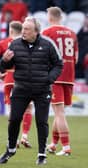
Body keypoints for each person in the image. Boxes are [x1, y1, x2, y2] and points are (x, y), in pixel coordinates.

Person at [0, 16, 63, 165]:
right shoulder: (14, 44)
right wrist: (5, 60)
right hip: (21, 88)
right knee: (14, 120)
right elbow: (5, 66)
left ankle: (41, 154)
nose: (23, 32)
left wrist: (49, 79)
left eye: (27, 29)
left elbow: (59, 64)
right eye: (22, 29)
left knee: (41, 122)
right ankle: (11, 149)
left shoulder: (48, 44)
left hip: (42, 90)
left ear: (36, 31)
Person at [0, 21, 32, 148]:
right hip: (24, 78)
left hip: (8, 78)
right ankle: (24, 136)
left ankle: (13, 140)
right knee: (28, 108)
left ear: (11, 30)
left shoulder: (4, 43)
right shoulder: (27, 43)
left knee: (12, 110)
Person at [42, 6, 78, 156]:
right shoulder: (72, 33)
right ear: (61, 17)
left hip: (55, 76)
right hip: (69, 76)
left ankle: (66, 147)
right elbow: (75, 58)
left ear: (50, 17)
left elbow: (42, 57)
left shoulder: (47, 33)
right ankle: (53, 144)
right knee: (60, 112)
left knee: (59, 112)